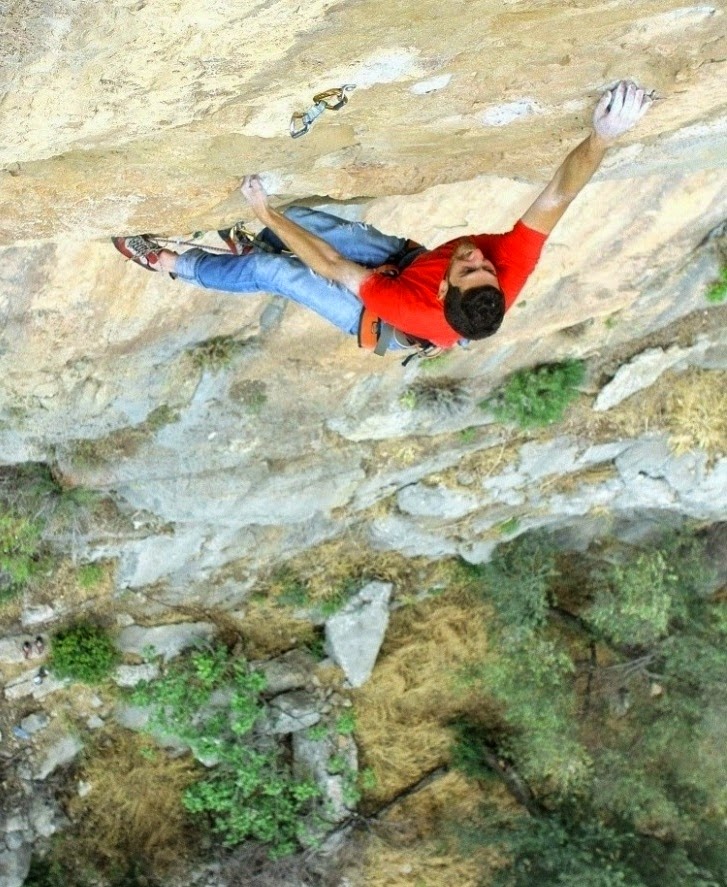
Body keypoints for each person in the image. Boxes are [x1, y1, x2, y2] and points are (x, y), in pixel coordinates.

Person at [113, 80, 652, 353]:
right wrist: (603, 137)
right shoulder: (505, 268)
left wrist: (266, 213)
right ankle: (258, 239)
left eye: (467, 270)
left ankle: (174, 266)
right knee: (314, 222)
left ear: (444, 294)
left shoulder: (414, 309)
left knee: (278, 272)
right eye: (484, 266)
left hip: (376, 317)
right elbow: (559, 194)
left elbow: (329, 269)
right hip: (405, 263)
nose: (475, 256)